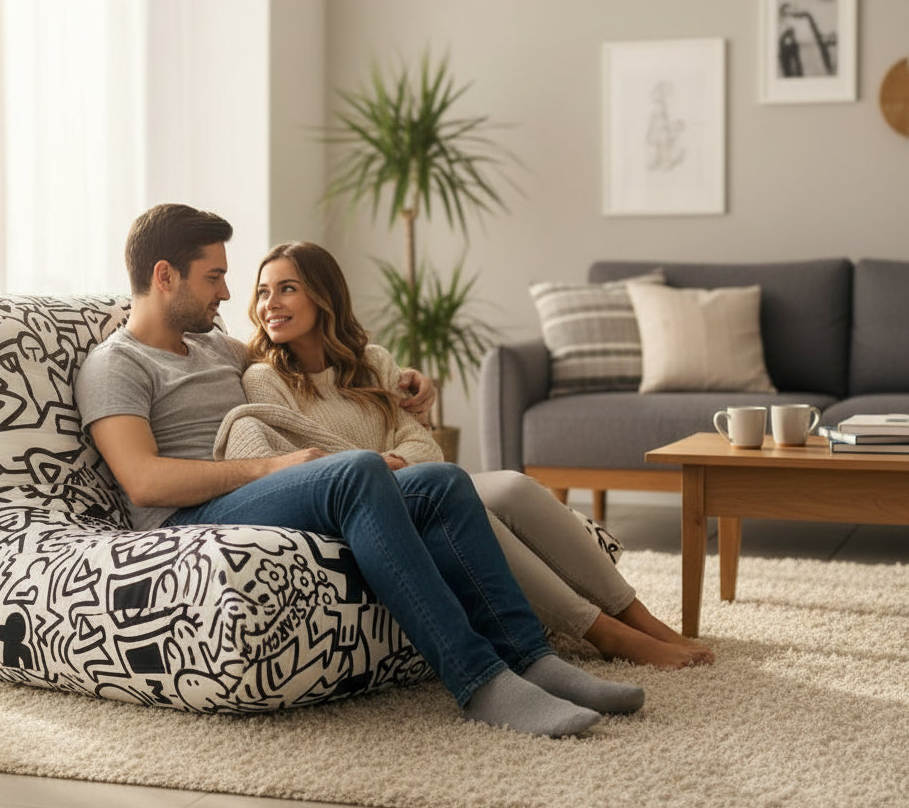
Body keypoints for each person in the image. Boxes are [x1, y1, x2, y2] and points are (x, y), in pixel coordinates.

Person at [76, 204, 646, 739]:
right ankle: (479, 683)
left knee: (440, 481)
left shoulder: (214, 349)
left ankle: (531, 659)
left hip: (252, 493)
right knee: (356, 472)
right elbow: (144, 482)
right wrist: (270, 467)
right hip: (187, 521)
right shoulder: (116, 365)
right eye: (213, 277)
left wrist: (412, 383)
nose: (227, 292)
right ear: (165, 276)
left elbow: (311, 355)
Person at [216, 240, 713, 670]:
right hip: (370, 508)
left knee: (516, 486)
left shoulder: (373, 361)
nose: (269, 304)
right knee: (477, 512)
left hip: (420, 482)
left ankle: (639, 616)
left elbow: (423, 446)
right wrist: (375, 463)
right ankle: (605, 633)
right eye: (263, 291)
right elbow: (302, 462)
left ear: (325, 296)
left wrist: (390, 461)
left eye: (286, 288)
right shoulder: (265, 379)